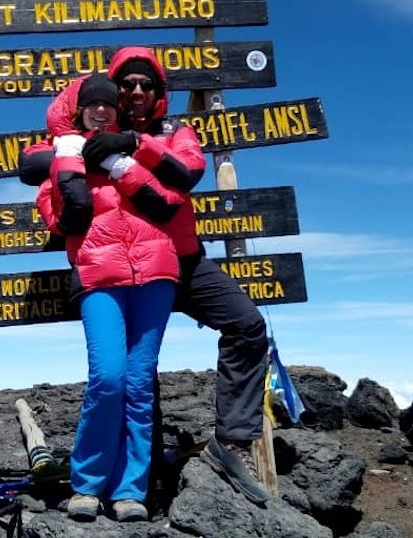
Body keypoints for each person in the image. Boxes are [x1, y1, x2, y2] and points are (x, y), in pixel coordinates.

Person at [20, 47, 271, 506]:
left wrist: (136, 146)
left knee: (247, 326)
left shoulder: (174, 132)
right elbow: (35, 163)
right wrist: (84, 153)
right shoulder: (86, 132)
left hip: (181, 263)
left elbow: (190, 171)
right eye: (127, 85)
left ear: (159, 93)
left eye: (147, 84)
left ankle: (230, 443)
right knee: (127, 376)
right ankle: (137, 483)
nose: (136, 92)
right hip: (114, 267)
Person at [37, 73, 188, 522]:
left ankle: (129, 492)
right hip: (99, 278)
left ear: (118, 111)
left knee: (140, 386)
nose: (101, 110)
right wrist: (73, 170)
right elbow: (59, 220)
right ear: (80, 110)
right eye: (92, 104)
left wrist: (123, 166)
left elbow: (169, 199)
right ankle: (86, 485)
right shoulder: (61, 163)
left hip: (156, 273)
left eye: (109, 105)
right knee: (108, 378)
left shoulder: (134, 154)